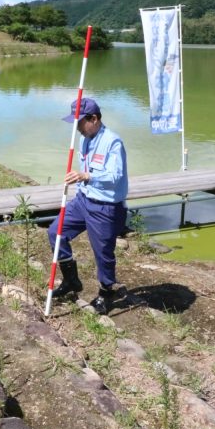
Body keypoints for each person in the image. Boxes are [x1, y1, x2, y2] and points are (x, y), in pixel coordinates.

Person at [48, 98, 128, 314]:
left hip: (105, 207)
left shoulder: (113, 142)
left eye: (80, 123)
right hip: (83, 200)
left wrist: (85, 175)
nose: (77, 129)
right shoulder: (86, 139)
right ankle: (71, 281)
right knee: (56, 233)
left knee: (103, 252)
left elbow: (115, 175)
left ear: (94, 119)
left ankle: (106, 292)